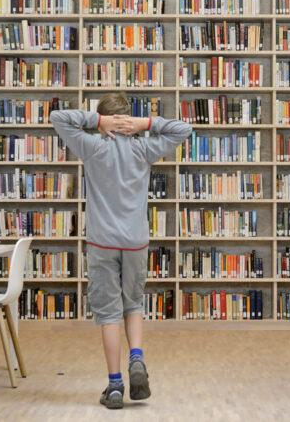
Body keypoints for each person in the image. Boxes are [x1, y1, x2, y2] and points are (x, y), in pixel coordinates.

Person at [50, 93, 193, 409]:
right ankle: (136, 358)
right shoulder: (143, 149)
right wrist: (145, 123)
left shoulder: (92, 146)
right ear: (128, 118)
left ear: (103, 120)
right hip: (135, 241)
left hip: (102, 242)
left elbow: (57, 118)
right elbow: (183, 129)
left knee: (108, 313)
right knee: (133, 304)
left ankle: (115, 386)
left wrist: (97, 122)